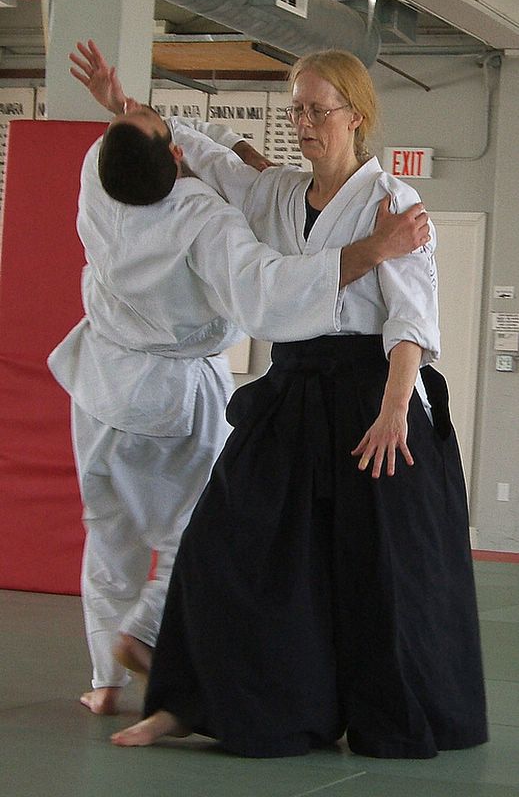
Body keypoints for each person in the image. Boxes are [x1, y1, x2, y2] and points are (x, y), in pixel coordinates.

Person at [74, 45, 486, 760]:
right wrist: (123, 107)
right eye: (296, 109)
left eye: (317, 110)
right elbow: (203, 152)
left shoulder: (392, 200)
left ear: (355, 115)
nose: (303, 123)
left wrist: (396, 407)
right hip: (292, 390)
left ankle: (392, 711)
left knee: (383, 567)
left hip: (373, 395)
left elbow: (411, 319)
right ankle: (185, 702)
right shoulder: (276, 194)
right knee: (223, 541)